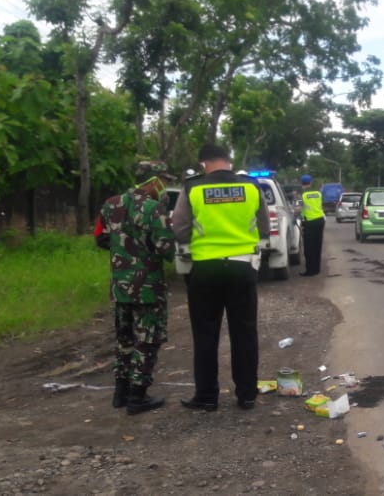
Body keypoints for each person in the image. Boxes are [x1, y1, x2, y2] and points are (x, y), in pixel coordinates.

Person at [172, 144, 269, 411]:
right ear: (229, 160)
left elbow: (179, 228)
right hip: (242, 268)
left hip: (206, 269)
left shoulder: (193, 188)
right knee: (245, 333)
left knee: (205, 335)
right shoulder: (251, 187)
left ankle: (207, 397)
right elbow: (264, 227)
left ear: (203, 163)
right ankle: (247, 395)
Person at [94, 160, 176, 416]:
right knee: (148, 340)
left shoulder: (111, 204)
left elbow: (100, 237)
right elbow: (166, 249)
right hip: (148, 287)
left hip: (120, 286)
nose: (165, 186)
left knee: (125, 339)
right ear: (153, 181)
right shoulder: (154, 209)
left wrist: (124, 252)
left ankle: (120, 392)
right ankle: (138, 396)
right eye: (163, 180)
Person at [300, 174, 325, 276]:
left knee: (309, 248)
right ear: (310, 183)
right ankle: (317, 269)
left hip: (309, 222)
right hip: (320, 221)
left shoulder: (303, 195)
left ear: (302, 183)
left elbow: (298, 209)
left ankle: (310, 271)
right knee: (317, 246)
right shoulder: (318, 193)